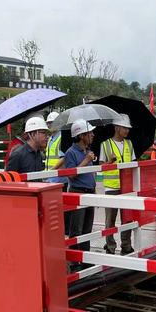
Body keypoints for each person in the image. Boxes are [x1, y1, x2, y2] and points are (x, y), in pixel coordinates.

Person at [99, 113, 135, 254]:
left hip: (127, 187)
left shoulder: (129, 144)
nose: (127, 130)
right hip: (111, 187)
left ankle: (126, 245)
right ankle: (110, 246)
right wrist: (110, 162)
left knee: (127, 218)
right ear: (116, 127)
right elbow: (101, 166)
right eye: (124, 127)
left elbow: (133, 163)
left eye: (128, 128)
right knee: (110, 220)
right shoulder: (105, 145)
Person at [63, 119, 96, 268]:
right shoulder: (71, 153)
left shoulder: (87, 151)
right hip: (77, 192)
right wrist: (86, 160)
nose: (93, 135)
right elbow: (71, 175)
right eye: (90, 133)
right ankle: (74, 260)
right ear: (81, 135)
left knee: (87, 228)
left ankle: (85, 258)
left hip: (89, 192)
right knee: (76, 229)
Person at [44, 111, 69, 188]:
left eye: (51, 123)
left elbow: (63, 158)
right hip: (50, 179)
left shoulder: (63, 137)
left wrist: (50, 172)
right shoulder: (50, 139)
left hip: (59, 179)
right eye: (48, 123)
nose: (49, 125)